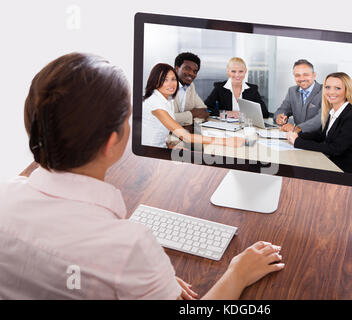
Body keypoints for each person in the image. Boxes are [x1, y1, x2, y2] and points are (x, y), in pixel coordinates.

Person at [0, 53, 285, 299]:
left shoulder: (7, 195)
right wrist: (238, 273)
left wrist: (148, 281)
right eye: (128, 116)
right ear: (112, 143)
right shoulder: (130, 247)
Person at [142, 63, 244, 148]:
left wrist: (170, 146)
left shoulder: (167, 100)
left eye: (173, 79)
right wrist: (227, 141)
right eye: (165, 80)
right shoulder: (155, 103)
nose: (171, 84)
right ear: (155, 82)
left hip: (162, 147)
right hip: (150, 152)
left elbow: (158, 130)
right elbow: (186, 137)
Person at [286, 72, 352, 173]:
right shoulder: (334, 111)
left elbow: (335, 149)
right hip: (331, 163)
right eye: (327, 87)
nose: (331, 92)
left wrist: (298, 142)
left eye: (337, 88)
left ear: (347, 91)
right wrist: (298, 135)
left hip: (344, 171)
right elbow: (322, 136)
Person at [204, 57, 269, 118]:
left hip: (245, 127)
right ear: (228, 72)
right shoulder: (220, 88)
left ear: (245, 71)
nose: (237, 75)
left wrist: (245, 114)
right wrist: (225, 113)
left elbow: (265, 113)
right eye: (233, 71)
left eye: (241, 71)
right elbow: (205, 109)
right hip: (226, 126)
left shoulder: (252, 89)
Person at [273, 59, 323, 133]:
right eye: (297, 75)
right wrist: (279, 117)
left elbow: (321, 118)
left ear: (314, 75)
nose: (302, 79)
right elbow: (282, 109)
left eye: (305, 75)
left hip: (317, 139)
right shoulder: (292, 91)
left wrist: (298, 128)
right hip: (296, 137)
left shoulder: (325, 91)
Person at [173, 52, 209, 126]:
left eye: (195, 71)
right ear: (176, 68)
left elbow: (204, 111)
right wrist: (192, 114)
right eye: (187, 69)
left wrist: (190, 125)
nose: (191, 73)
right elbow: (165, 118)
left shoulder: (190, 86)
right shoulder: (165, 86)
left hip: (183, 134)